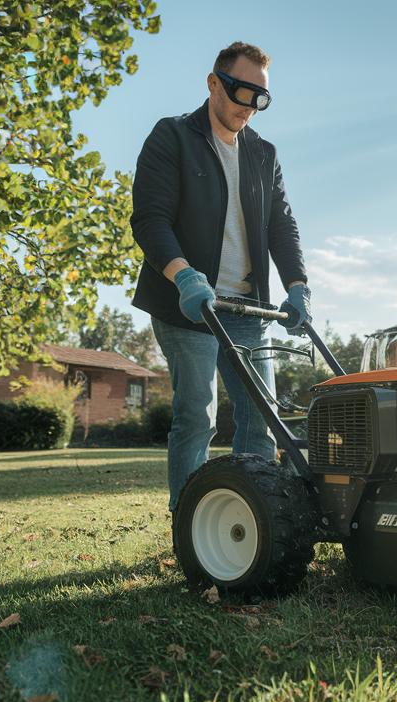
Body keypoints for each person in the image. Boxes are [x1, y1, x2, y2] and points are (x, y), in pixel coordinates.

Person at [130, 41, 311, 512]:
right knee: (197, 416)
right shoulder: (172, 136)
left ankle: (253, 521)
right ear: (214, 83)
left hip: (247, 307)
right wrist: (183, 275)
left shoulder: (263, 153)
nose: (249, 108)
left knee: (261, 418)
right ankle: (189, 526)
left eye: (261, 99)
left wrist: (297, 285)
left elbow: (282, 225)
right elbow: (150, 220)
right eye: (241, 93)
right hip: (188, 303)